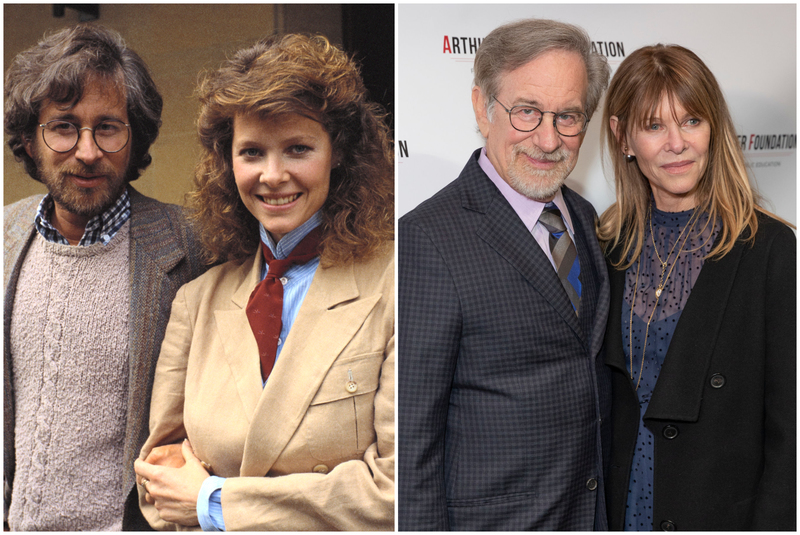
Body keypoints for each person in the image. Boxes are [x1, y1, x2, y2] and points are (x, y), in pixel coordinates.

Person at [132, 33, 395, 531]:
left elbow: (395, 492)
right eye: (252, 152)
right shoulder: (195, 301)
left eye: (298, 148)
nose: (273, 175)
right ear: (227, 163)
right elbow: (158, 479)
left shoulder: (397, 284)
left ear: (337, 152)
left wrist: (214, 501)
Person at [398, 18, 612, 530]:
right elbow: (411, 441)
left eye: (568, 116)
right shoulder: (425, 240)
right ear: (482, 107)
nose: (547, 138)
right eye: (527, 112)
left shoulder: (584, 218)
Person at [3, 25, 207, 531]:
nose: (88, 151)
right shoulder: (6, 235)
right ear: (29, 139)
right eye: (64, 126)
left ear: (134, 136)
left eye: (109, 127)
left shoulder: (192, 246)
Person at [597, 44, 796, 531]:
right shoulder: (605, 245)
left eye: (690, 121)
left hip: (718, 512)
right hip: (621, 507)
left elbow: (791, 430)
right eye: (653, 126)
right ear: (623, 136)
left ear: (714, 129)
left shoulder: (768, 247)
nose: (676, 143)